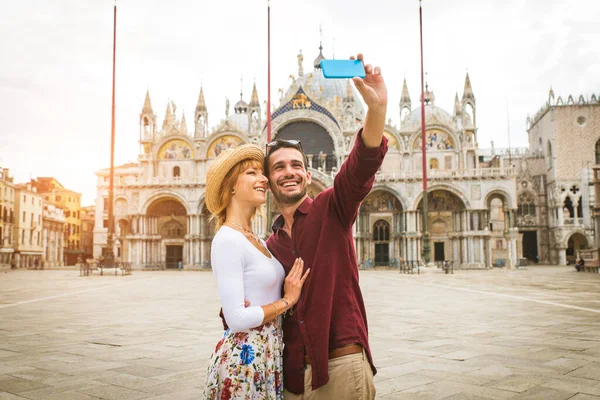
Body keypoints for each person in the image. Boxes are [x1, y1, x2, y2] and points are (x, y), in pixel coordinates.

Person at [264, 53, 387, 399]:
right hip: (290, 377)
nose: (289, 172)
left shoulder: (332, 209)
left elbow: (361, 165)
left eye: (296, 165)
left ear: (308, 173)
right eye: (278, 167)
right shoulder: (270, 247)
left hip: (340, 367)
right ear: (268, 179)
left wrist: (376, 110)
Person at [203, 144, 310, 400]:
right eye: (252, 173)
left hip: (267, 354)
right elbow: (237, 318)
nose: (263, 179)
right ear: (230, 185)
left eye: (261, 173)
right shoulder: (228, 239)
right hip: (245, 359)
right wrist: (287, 301)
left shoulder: (259, 240)